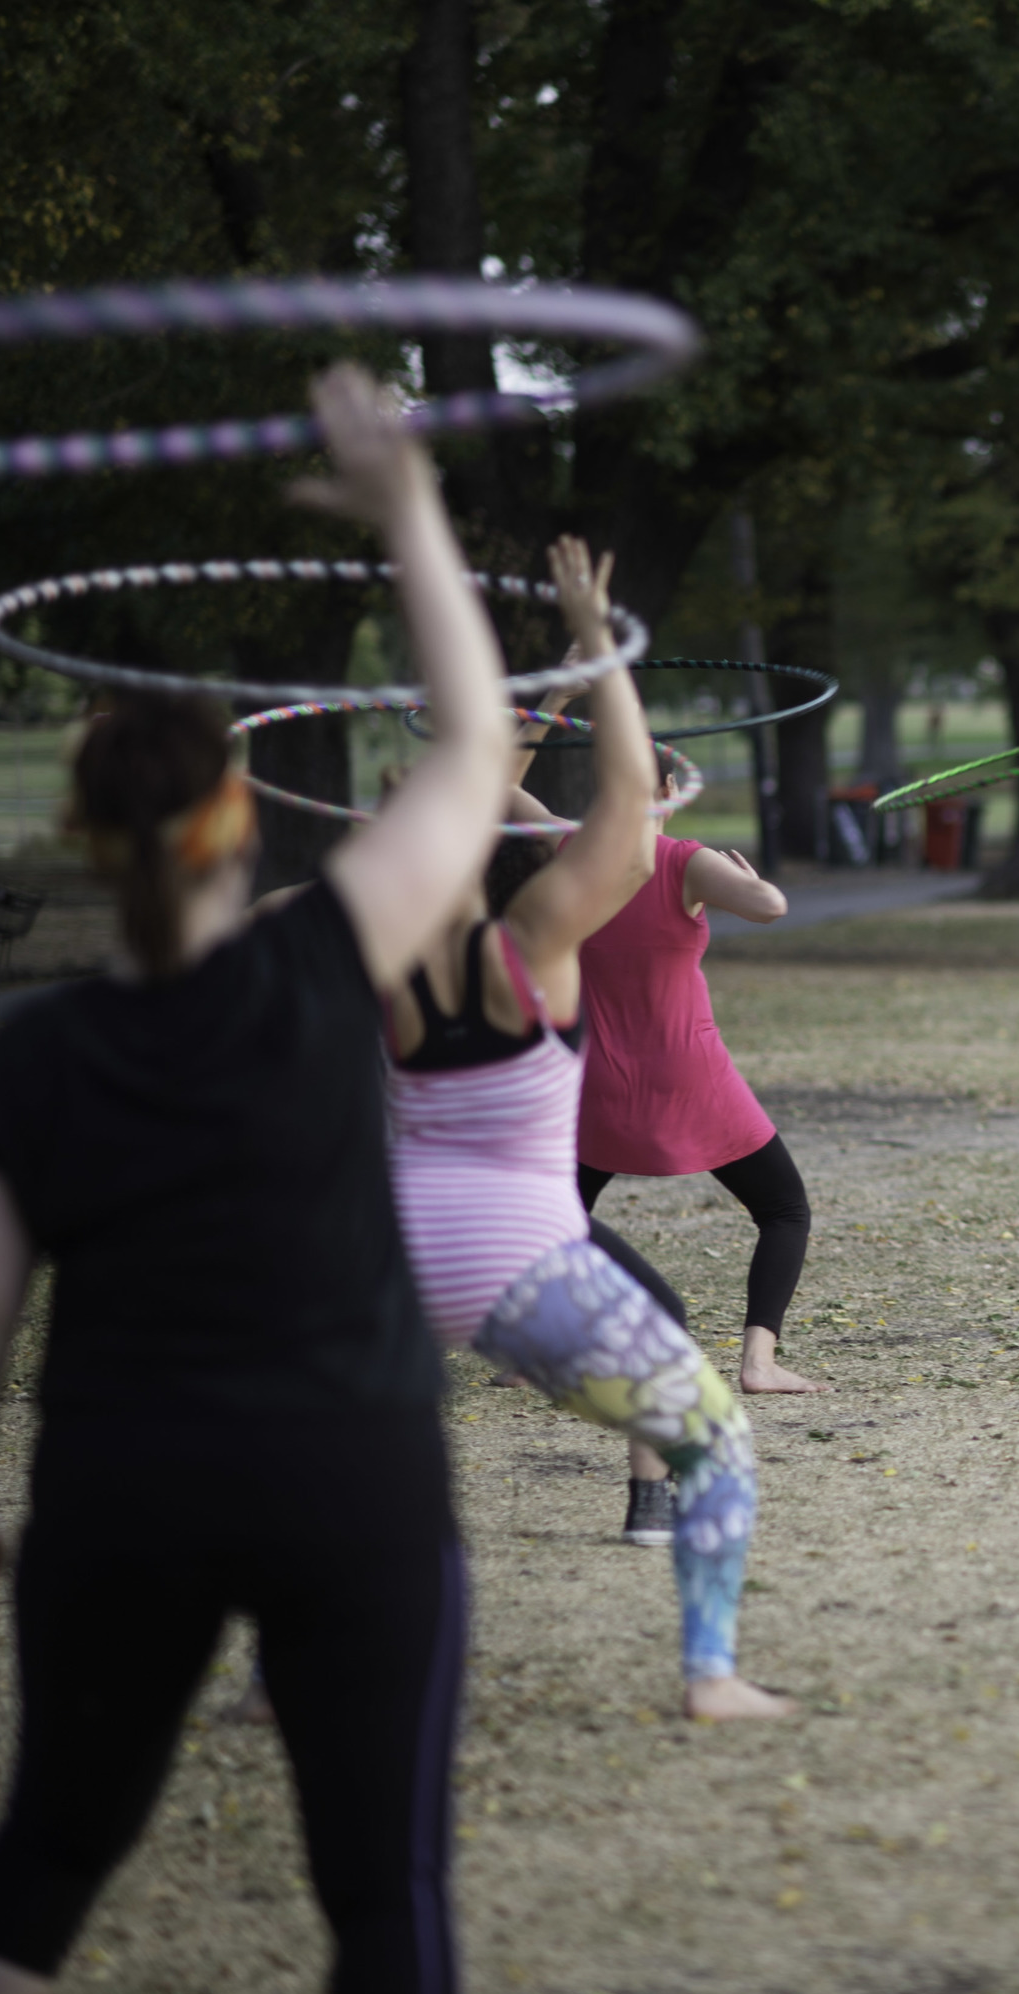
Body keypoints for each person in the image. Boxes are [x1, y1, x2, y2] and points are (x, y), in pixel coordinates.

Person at [0, 364, 513, 1994]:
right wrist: (410, 513)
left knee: (47, 1848)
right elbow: (473, 744)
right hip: (349, 1472)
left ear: (89, 843)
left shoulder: (32, 1056)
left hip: (122, 1492)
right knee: (382, 1896)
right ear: (243, 816)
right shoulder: (326, 959)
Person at [387, 537, 788, 1720]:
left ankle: (274, 1671)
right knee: (691, 1384)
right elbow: (622, 809)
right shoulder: (540, 944)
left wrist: (557, 682)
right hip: (513, 1246)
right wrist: (599, 647)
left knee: (340, 1449)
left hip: (384, 1236)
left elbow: (487, 781)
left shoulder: (354, 933)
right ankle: (707, 1667)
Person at [569, 760, 818, 1531]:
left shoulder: (568, 855)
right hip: (689, 1073)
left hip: (601, 1078)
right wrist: (736, 872)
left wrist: (556, 699)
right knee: (784, 1208)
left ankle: (528, 1355)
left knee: (559, 1211)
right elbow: (772, 906)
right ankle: (758, 1360)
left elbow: (499, 786)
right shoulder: (684, 859)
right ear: (670, 794)